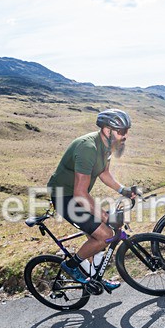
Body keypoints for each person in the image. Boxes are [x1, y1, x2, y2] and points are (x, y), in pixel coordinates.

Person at [46, 109, 136, 288]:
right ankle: (71, 266)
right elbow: (80, 194)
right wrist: (105, 216)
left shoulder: (107, 146)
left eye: (127, 131)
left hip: (79, 195)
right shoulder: (88, 148)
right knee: (105, 235)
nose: (125, 136)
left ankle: (95, 278)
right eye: (122, 132)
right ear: (107, 130)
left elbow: (104, 172)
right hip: (66, 197)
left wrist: (123, 190)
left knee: (100, 233)